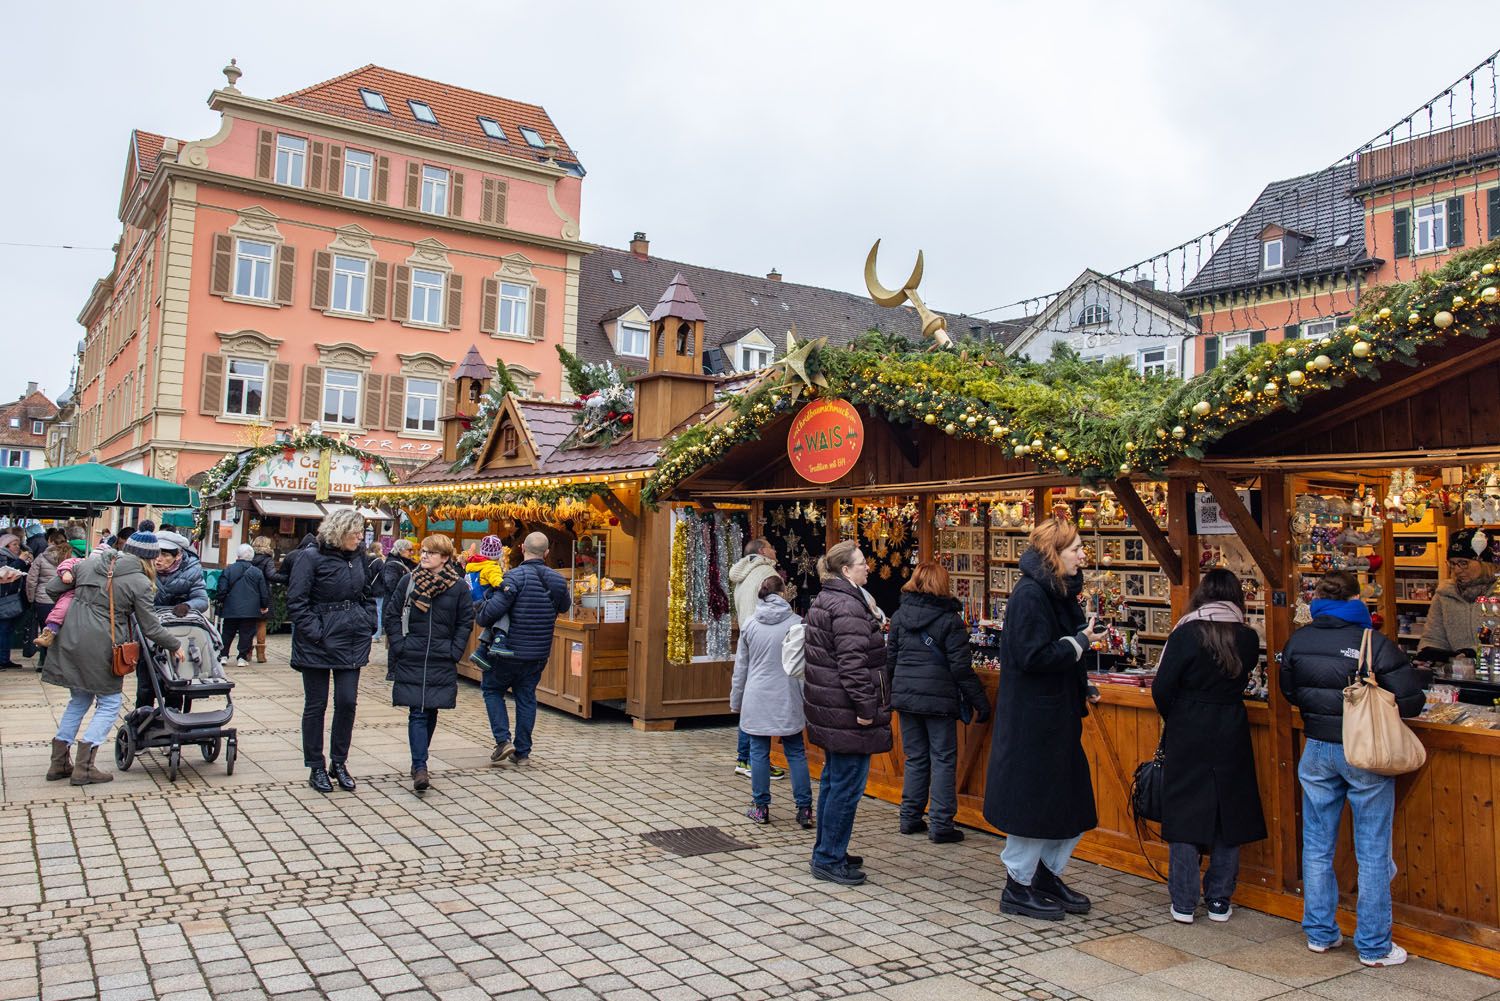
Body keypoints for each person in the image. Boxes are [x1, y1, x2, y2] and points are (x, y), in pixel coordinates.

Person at [1280, 570, 1424, 967]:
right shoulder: (1373, 643)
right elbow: (1411, 701)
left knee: (1317, 845)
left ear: (1318, 598)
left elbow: (1289, 690)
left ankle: (1320, 933)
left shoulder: (1299, 639)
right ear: (1357, 598)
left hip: (1317, 749)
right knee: (1373, 851)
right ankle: (1374, 945)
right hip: (1364, 751)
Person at [984, 518, 1104, 921]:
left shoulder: (1060, 593)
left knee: (1070, 804)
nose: (1084, 555)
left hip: (1058, 718)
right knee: (1032, 805)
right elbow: (1033, 656)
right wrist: (1080, 643)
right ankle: (1017, 885)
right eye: (1076, 549)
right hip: (1033, 724)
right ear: (1055, 553)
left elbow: (1063, 651)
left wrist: (1082, 682)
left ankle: (1047, 874)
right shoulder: (1030, 595)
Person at [1152, 568, 1267, 924]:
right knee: (1228, 811)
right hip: (1230, 724)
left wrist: (1178, 714)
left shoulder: (1187, 632)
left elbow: (1162, 685)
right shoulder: (1246, 637)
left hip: (1188, 724)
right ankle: (1219, 898)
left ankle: (1184, 901)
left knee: (1185, 811)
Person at [42, 532, 183, 785]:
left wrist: (80, 607)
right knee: (109, 703)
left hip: (70, 639)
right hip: (103, 645)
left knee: (79, 699)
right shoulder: (139, 582)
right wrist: (174, 645)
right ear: (149, 558)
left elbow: (52, 589)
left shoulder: (88, 564)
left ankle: (59, 763)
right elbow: (150, 627)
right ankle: (84, 767)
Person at [803, 540, 890, 886]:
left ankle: (828, 848)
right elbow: (852, 665)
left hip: (833, 709)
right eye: (861, 563)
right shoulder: (848, 607)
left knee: (834, 781)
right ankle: (828, 857)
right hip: (848, 712)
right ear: (845, 570)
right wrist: (867, 708)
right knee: (846, 786)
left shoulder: (831, 599)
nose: (867, 567)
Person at [887, 561, 991, 844]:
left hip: (906, 697)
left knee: (916, 758)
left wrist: (892, 694)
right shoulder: (950, 620)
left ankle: (910, 817)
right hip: (938, 700)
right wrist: (980, 701)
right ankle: (941, 824)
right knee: (943, 759)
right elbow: (960, 668)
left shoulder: (899, 616)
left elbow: (891, 660)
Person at [288, 509, 376, 794]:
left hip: (351, 637)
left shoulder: (358, 557)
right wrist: (317, 632)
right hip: (318, 643)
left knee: (347, 702)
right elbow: (297, 601)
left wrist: (368, 620)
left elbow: (366, 594)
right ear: (340, 533)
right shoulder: (310, 558)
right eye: (356, 533)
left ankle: (339, 762)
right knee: (316, 705)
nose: (361, 537)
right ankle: (315, 765)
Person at [386, 534, 473, 793]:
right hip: (412, 654)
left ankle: (419, 758)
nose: (424, 556)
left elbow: (465, 621)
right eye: (423, 551)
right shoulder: (409, 580)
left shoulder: (458, 588)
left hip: (440, 655)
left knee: (431, 709)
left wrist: (454, 650)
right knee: (418, 710)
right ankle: (420, 766)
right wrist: (399, 645)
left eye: (431, 553)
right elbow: (391, 614)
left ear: (445, 557)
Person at [475, 531, 571, 767]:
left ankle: (503, 740)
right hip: (538, 652)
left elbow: (488, 614)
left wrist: (481, 603)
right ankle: (523, 752)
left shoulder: (512, 578)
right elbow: (565, 606)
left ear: (521, 548)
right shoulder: (558, 581)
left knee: (492, 689)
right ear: (547, 553)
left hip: (507, 651)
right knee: (526, 697)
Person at [730, 575, 811, 827]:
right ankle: (805, 808)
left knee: (758, 752)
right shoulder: (797, 623)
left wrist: (736, 700)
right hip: (788, 694)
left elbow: (741, 667)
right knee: (796, 751)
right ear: (784, 593)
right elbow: (805, 666)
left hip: (757, 694)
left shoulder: (751, 624)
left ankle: (761, 807)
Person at [729, 538, 788, 781]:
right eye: (772, 547)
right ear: (764, 551)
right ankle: (752, 759)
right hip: (765, 638)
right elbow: (772, 606)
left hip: (749, 634)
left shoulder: (743, 573)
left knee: (750, 698)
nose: (776, 550)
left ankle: (745, 757)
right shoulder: (766, 571)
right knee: (760, 704)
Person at [1416, 527, 1496, 662]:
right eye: (1452, 564)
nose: (1457, 570)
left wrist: (1474, 653)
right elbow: (1433, 638)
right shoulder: (1445, 594)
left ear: (1484, 562)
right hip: (1457, 676)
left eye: (1464, 563)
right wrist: (1429, 655)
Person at [216, 544, 270, 667]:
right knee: (247, 633)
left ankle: (223, 655)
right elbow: (263, 592)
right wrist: (263, 605)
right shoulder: (257, 572)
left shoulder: (228, 569)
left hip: (231, 607)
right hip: (250, 609)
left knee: (228, 632)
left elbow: (222, 589)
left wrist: (221, 600)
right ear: (252, 557)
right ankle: (242, 657)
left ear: (238, 555)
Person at [26, 530, 70, 668]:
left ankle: (43, 661)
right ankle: (58, 662)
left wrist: (31, 599)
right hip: (63, 600)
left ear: (50, 541)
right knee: (62, 632)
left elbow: (31, 580)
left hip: (43, 599)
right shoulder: (69, 557)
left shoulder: (41, 557)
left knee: (45, 630)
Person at [152, 532, 208, 615]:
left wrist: (187, 606)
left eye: (165, 555)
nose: (158, 559)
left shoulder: (192, 571)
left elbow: (201, 600)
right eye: (156, 553)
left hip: (177, 622)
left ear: (178, 555)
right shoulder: (144, 567)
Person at [0, 534, 28, 669]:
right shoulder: (3, 556)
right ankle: (2, 659)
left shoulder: (15, 557)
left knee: (8, 630)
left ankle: (5, 658)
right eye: (14, 544)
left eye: (18, 544)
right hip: (4, 599)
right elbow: (7, 572)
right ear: (6, 546)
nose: (18, 547)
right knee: (3, 630)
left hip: (13, 599)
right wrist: (21, 561)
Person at [249, 537, 279, 663]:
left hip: (249, 592)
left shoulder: (249, 558)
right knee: (262, 623)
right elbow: (271, 575)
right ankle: (260, 655)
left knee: (248, 623)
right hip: (264, 592)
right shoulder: (268, 560)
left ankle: (247, 653)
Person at [366, 544, 389, 639]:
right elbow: (384, 576)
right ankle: (376, 635)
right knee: (378, 611)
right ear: (378, 549)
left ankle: (369, 632)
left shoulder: (365, 559)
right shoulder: (379, 561)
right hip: (378, 589)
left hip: (368, 589)